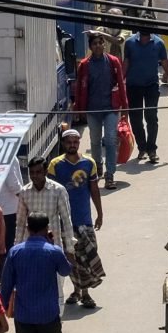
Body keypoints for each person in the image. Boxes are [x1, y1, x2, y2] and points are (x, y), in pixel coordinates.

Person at [48, 128, 105, 308]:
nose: (72, 145)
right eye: (68, 142)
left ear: (79, 143)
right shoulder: (55, 165)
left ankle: (85, 292)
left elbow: (94, 190)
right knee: (71, 257)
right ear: (63, 144)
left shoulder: (89, 163)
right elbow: (50, 194)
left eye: (75, 142)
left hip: (85, 219)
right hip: (64, 221)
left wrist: (100, 214)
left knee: (88, 255)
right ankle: (78, 291)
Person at [69, 31, 129, 188]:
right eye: (94, 44)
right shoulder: (84, 65)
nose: (97, 46)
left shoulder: (113, 61)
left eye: (100, 43)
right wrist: (78, 109)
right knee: (95, 141)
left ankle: (110, 174)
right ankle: (97, 167)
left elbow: (121, 85)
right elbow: (79, 89)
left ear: (104, 45)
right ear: (91, 47)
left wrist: (125, 107)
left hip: (111, 108)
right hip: (93, 109)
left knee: (110, 141)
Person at [122, 22, 168, 165]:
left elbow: (165, 63)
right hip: (133, 86)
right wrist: (119, 83)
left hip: (151, 86)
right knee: (136, 119)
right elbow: (126, 63)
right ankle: (142, 147)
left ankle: (152, 150)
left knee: (151, 118)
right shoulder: (129, 43)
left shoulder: (159, 43)